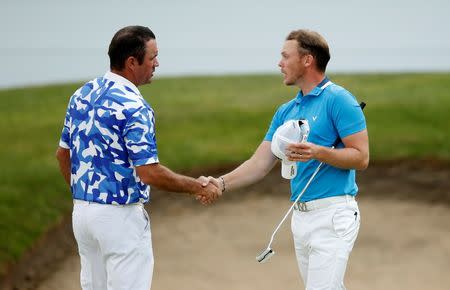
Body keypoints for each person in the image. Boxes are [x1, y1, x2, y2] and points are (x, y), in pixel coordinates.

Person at [201, 29, 369, 289]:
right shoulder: (286, 111)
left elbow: (361, 157)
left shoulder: (339, 100)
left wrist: (318, 152)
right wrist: (220, 184)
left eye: (285, 56)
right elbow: (259, 164)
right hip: (300, 219)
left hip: (334, 215)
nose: (279, 63)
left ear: (307, 60)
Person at [55, 25, 220, 290]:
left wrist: (85, 197)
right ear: (132, 62)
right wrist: (197, 186)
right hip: (119, 220)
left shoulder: (81, 95)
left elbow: (63, 155)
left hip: (83, 215)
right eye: (152, 57)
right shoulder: (135, 107)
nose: (157, 63)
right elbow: (149, 172)